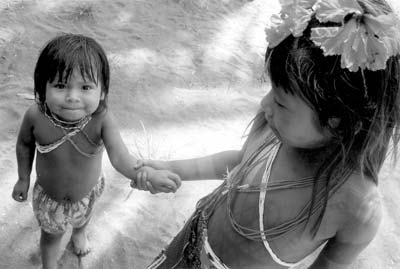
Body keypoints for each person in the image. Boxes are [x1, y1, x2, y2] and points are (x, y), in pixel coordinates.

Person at [141, 0, 400, 268]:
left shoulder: (356, 208)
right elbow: (238, 163)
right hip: (186, 246)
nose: (265, 105)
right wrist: (171, 168)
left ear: (336, 121)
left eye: (280, 101)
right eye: (271, 92)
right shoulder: (272, 126)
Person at [11, 33, 181, 269]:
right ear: (43, 86)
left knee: (83, 218)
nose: (72, 97)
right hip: (50, 200)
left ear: (101, 92)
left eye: (85, 87)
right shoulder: (36, 117)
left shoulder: (101, 120)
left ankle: (79, 233)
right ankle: (49, 265)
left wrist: (147, 174)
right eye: (60, 85)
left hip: (87, 193)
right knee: (51, 237)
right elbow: (24, 144)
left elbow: (120, 157)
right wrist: (22, 178)